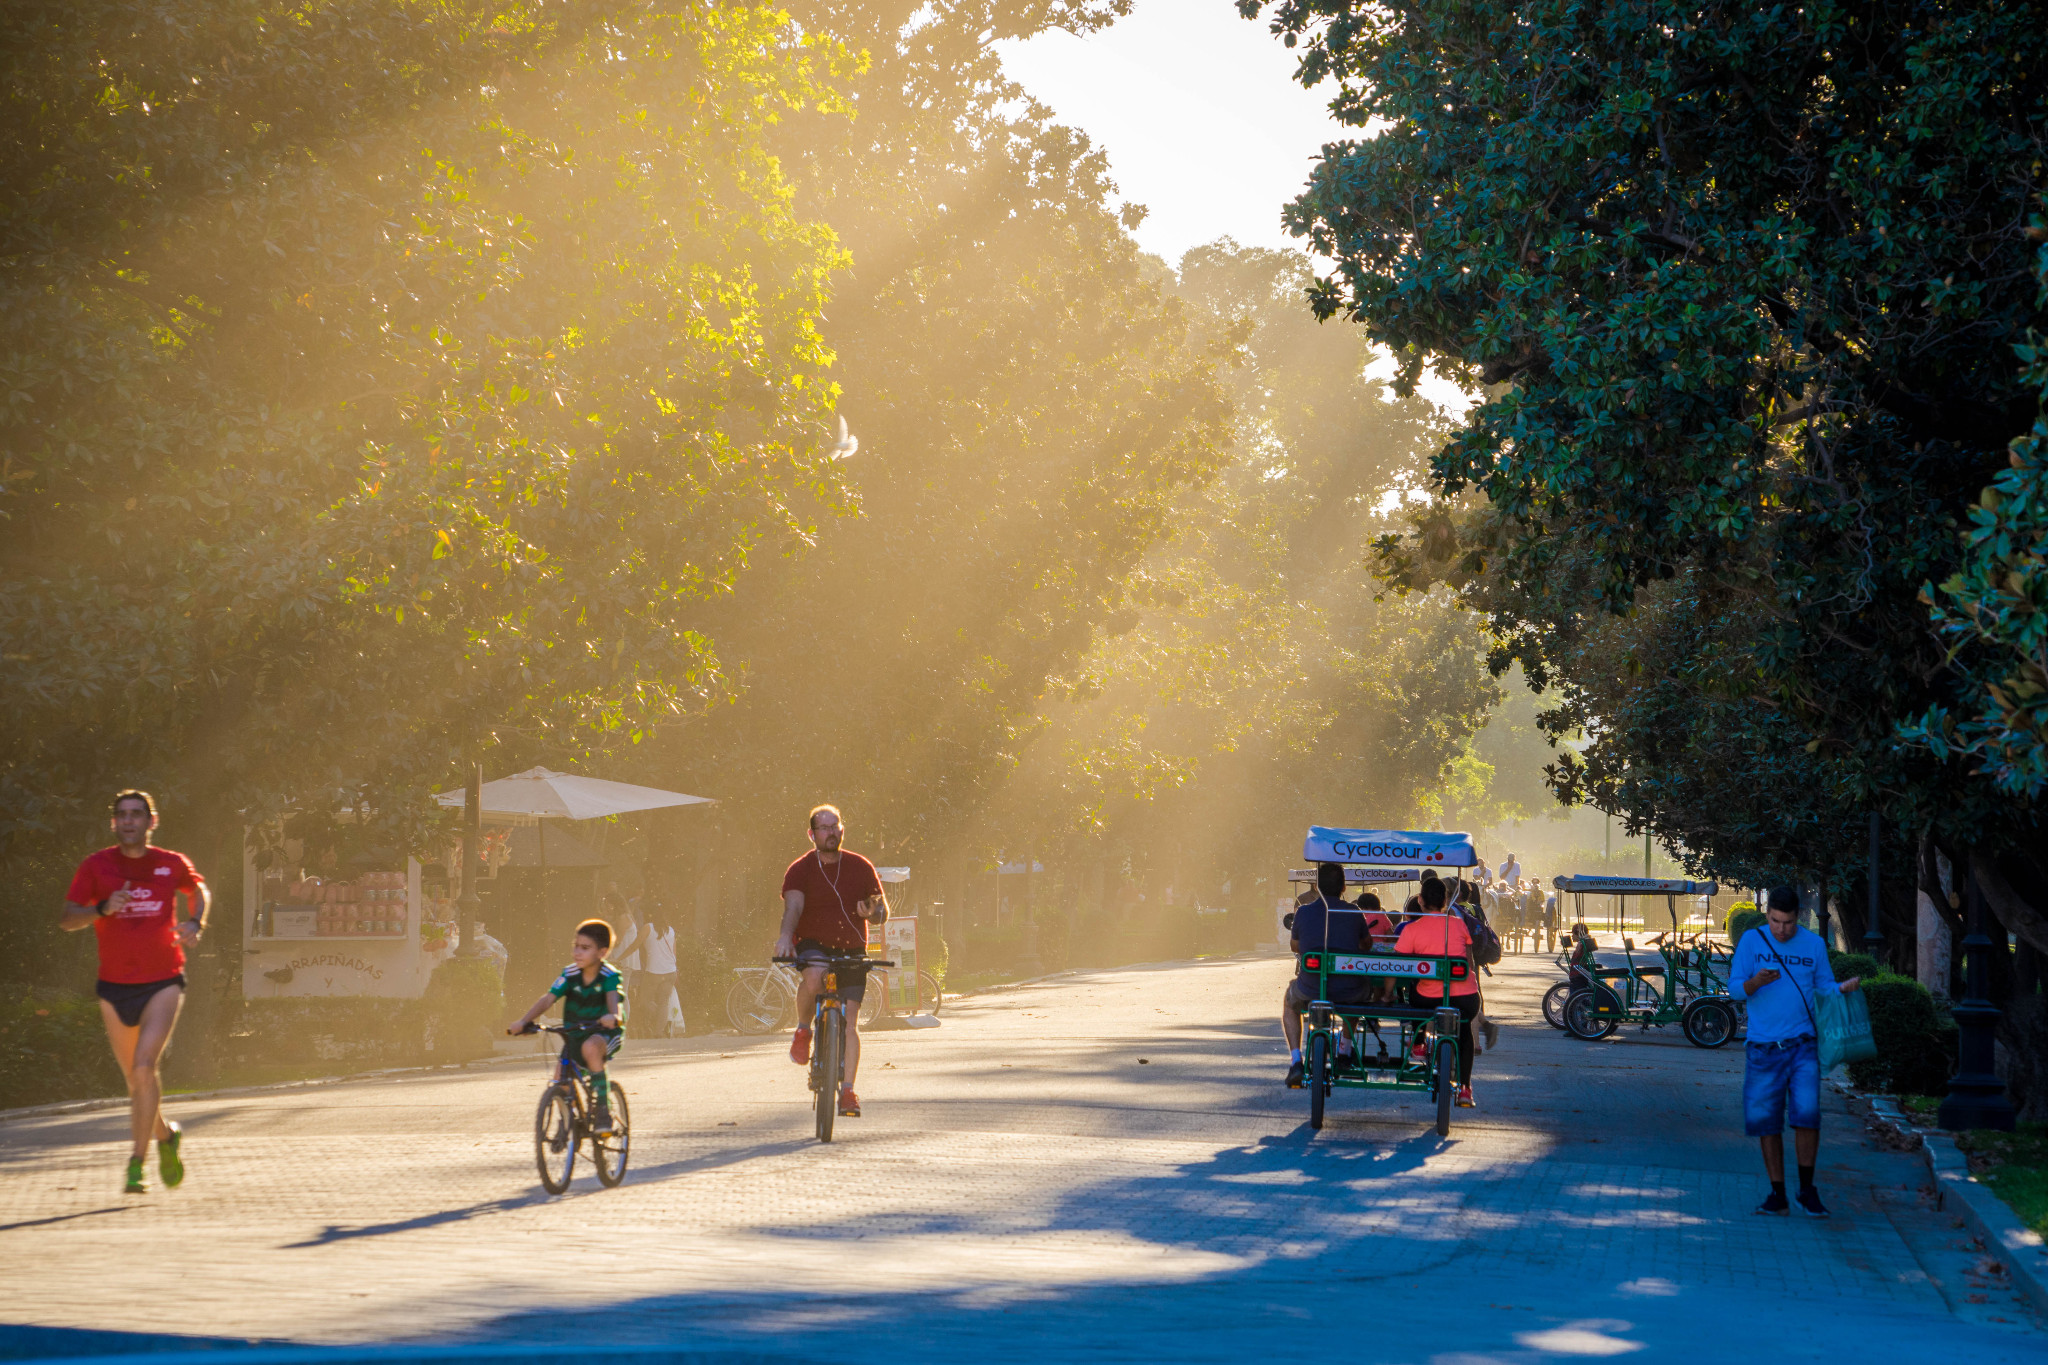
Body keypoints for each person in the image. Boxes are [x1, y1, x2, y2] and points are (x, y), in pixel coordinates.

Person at [60, 790, 208, 1194]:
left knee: (145, 1067)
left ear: (150, 821)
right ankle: (166, 1137)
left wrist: (195, 922)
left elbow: (198, 891)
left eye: (136, 815)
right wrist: (102, 909)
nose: (129, 821)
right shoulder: (96, 866)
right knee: (135, 1080)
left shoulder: (170, 863)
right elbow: (67, 919)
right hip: (114, 987)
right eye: (122, 815)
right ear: (114, 823)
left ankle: (136, 1164)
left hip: (163, 978)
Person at [1730, 885, 1861, 1217]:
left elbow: (1824, 987)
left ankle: (1807, 1189)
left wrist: (1841, 989)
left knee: (1807, 1117)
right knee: (1766, 1122)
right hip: (1762, 1048)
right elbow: (1734, 989)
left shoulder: (1814, 945)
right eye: (1775, 921)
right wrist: (1755, 983)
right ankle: (1778, 1194)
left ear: (1797, 917)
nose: (1781, 930)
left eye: (1788, 923)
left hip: (1803, 1045)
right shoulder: (1752, 941)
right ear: (1767, 914)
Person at [773, 804, 889, 1118]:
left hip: (852, 947)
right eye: (823, 827)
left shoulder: (860, 866)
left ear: (842, 829)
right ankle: (802, 1030)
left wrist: (872, 912)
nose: (830, 832)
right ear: (812, 834)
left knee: (850, 1023)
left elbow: (882, 912)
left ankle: (848, 1091)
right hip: (814, 944)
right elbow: (793, 909)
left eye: (834, 826)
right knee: (814, 976)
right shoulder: (800, 868)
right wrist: (785, 937)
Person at [508, 918, 625, 1133]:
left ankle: (602, 1111)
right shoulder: (569, 974)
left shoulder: (608, 976)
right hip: (575, 1033)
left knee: (591, 1049)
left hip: (604, 1033)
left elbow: (613, 1005)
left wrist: (613, 1017)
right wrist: (525, 1022)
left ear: (602, 952)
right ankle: (567, 1118)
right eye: (576, 946)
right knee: (560, 1077)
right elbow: (548, 999)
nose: (577, 953)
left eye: (585, 948)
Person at [1282, 863, 1370, 1087]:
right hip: (1348, 990)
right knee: (1361, 992)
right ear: (1343, 887)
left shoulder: (1303, 911)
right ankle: (1345, 1047)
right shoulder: (1353, 912)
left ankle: (1295, 1061)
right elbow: (1366, 945)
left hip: (1311, 988)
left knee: (1290, 1001)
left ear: (1317, 886)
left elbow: (1295, 945)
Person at [1395, 877, 1481, 1108]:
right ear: (1445, 901)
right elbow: (1469, 961)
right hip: (1466, 997)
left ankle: (1419, 1042)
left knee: (1413, 992)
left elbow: (1400, 966)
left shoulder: (1411, 930)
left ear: (1420, 901)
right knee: (1464, 1032)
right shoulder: (1458, 924)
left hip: (1428, 999)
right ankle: (1465, 1088)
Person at [638, 900, 680, 1038]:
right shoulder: (671, 930)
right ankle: (658, 1032)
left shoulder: (648, 927)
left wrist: (621, 956)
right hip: (670, 971)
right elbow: (674, 953)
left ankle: (656, 1019)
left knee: (644, 1001)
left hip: (654, 972)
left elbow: (635, 945)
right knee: (663, 1003)